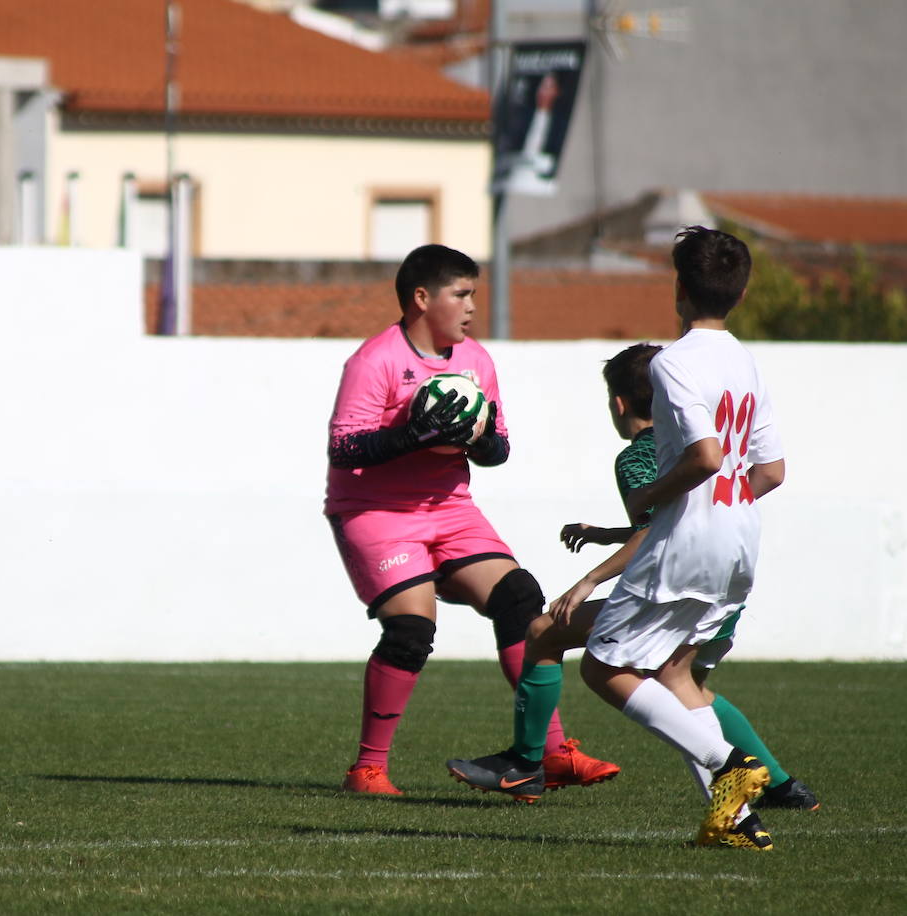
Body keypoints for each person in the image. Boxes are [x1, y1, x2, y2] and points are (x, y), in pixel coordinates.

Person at [446, 343, 818, 813]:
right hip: (729, 573)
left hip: (678, 583)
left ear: (618, 403)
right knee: (687, 685)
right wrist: (608, 534)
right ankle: (781, 789)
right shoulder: (695, 437)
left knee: (544, 633)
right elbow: (685, 514)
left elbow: (652, 529)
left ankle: (525, 764)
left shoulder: (641, 454)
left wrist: (589, 579)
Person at [325, 243, 619, 797]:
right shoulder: (374, 360)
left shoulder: (477, 361)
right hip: (375, 512)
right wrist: (412, 435)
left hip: (449, 508)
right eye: (460, 294)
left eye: (473, 295)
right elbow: (344, 449)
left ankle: (551, 753)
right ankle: (366, 771)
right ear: (421, 298)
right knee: (413, 630)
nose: (470, 307)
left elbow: (498, 449)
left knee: (520, 598)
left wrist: (478, 438)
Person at [577, 226, 785, 851]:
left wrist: (646, 497)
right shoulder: (746, 363)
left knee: (602, 666)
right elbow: (770, 471)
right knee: (673, 669)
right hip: (740, 537)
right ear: (741, 291)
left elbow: (703, 455)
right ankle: (735, 823)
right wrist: (725, 501)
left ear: (678, 290)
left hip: (685, 539)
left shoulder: (673, 362)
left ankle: (727, 761)